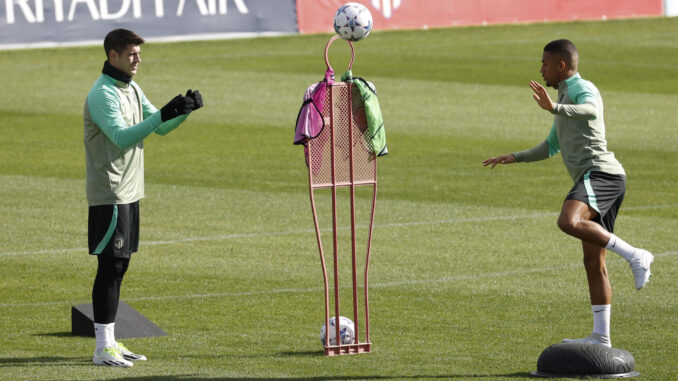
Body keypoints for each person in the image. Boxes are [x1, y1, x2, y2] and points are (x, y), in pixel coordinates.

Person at [482, 39, 653, 348]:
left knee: (567, 220)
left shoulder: (581, 88)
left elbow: (590, 110)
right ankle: (601, 337)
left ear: (561, 66)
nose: (541, 69)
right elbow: (551, 146)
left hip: (601, 174)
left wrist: (554, 107)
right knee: (593, 262)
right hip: (602, 178)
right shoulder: (562, 95)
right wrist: (514, 156)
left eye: (545, 63)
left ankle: (636, 255)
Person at [84, 28, 203, 367]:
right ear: (113, 56)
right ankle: (102, 347)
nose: (138, 59)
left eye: (138, 53)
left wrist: (183, 111)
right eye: (131, 53)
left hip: (129, 190)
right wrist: (161, 114)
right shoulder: (103, 94)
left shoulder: (130, 87)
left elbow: (160, 127)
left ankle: (110, 341)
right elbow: (121, 137)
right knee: (110, 265)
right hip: (110, 191)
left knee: (120, 265)